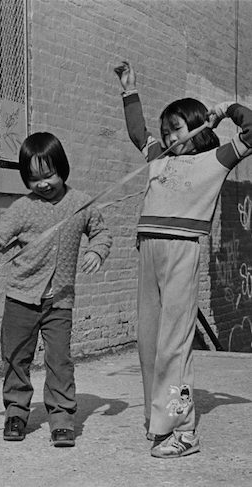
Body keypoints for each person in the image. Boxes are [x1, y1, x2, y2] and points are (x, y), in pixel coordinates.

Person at [114, 61, 252, 458]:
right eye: (166, 130)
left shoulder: (216, 160)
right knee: (149, 343)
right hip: (149, 249)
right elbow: (138, 132)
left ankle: (184, 429)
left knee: (175, 345)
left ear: (198, 129)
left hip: (181, 251)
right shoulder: (159, 156)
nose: (168, 136)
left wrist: (225, 109)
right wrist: (130, 89)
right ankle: (159, 422)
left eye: (177, 128)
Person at [0, 132, 112, 447]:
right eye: (34, 178)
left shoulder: (82, 203)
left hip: (60, 301)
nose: (43, 184)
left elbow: (101, 232)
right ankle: (16, 412)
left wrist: (97, 251)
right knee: (16, 358)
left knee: (59, 360)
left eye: (49, 175)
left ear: (62, 167)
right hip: (21, 299)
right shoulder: (21, 208)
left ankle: (62, 419)